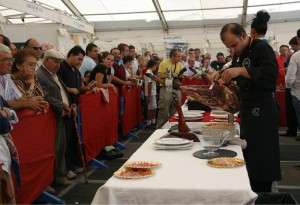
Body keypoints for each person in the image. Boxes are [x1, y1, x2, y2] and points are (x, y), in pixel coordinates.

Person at [214, 23, 281, 192]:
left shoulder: (262, 48)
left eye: (234, 45)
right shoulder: (239, 53)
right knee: (249, 154)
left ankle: (263, 194)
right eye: (229, 48)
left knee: (262, 157)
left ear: (243, 36)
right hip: (247, 109)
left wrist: (242, 71)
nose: (233, 51)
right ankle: (249, 189)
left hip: (263, 110)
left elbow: (270, 76)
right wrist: (223, 77)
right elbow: (240, 82)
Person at [36, 49, 71, 185]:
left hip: (60, 116)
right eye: (55, 62)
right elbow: (45, 96)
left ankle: (60, 176)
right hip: (51, 117)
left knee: (61, 147)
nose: (58, 65)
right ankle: (49, 180)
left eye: (60, 62)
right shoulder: (40, 75)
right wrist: (62, 105)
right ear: (46, 60)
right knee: (53, 149)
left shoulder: (53, 74)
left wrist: (67, 104)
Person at [156, 48, 183, 128]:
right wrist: (171, 75)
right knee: (164, 111)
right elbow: (160, 75)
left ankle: (173, 128)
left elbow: (181, 76)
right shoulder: (164, 63)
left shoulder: (179, 64)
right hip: (165, 88)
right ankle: (160, 129)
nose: (179, 58)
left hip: (176, 88)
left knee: (176, 110)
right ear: (172, 56)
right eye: (178, 56)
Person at [281, 36, 300, 137]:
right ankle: (292, 130)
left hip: (294, 89)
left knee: (294, 112)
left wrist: (288, 86)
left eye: (293, 46)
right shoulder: (293, 56)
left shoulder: (296, 56)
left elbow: (290, 78)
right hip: (295, 88)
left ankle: (292, 130)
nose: (292, 49)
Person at [144, 59, 157, 126]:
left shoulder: (150, 72)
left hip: (152, 93)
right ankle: (149, 122)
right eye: (156, 66)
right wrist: (148, 95)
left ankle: (153, 121)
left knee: (153, 107)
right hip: (150, 93)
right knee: (150, 108)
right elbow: (149, 84)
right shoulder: (148, 73)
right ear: (154, 65)